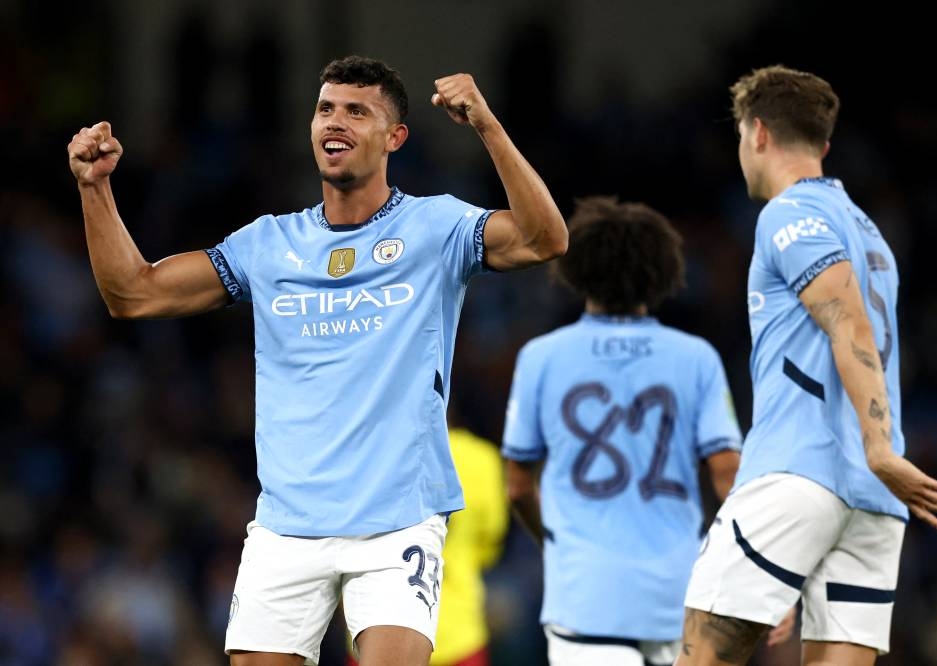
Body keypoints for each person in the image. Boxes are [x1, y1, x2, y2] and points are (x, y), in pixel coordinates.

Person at [66, 55, 567, 666]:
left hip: (397, 521)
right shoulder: (267, 244)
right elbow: (134, 294)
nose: (336, 121)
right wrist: (95, 189)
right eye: (326, 108)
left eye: (358, 111)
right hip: (287, 525)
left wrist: (487, 125)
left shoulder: (436, 226)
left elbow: (546, 238)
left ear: (395, 137)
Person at [675, 65, 937, 666]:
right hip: (874, 498)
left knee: (701, 655)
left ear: (756, 134)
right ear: (824, 145)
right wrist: (881, 459)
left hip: (801, 467)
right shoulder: (871, 233)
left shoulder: (787, 213)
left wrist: (880, 445)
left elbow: (847, 321)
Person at [501, 196, 757, 666]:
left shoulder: (541, 356)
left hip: (583, 598)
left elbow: (518, 487)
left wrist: (554, 540)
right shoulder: (695, 357)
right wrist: (757, 572)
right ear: (661, 272)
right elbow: (728, 475)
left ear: (577, 272)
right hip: (676, 598)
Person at [346, 423, 509, 666]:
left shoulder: (372, 450)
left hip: (378, 635)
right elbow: (490, 542)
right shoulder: (481, 459)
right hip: (458, 634)